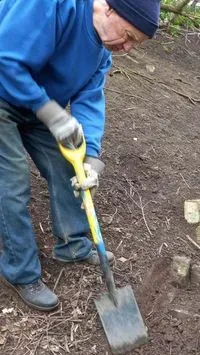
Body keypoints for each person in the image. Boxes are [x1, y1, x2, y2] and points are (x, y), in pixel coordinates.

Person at [0, 0, 160, 311]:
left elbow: (89, 98)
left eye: (135, 44)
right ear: (109, 8)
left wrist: (92, 159)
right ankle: (20, 271)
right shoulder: (55, 5)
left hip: (38, 105)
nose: (127, 48)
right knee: (13, 180)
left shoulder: (101, 53)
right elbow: (5, 59)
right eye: (128, 36)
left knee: (67, 167)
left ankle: (72, 245)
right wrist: (50, 112)